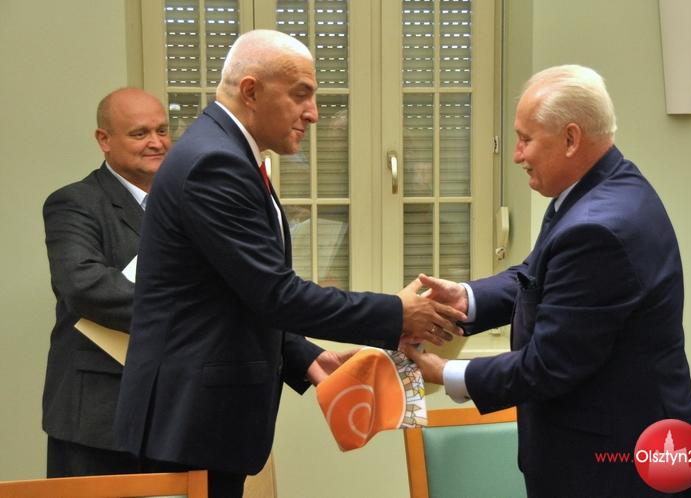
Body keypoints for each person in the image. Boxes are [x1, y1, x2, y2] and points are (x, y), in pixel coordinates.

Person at [114, 29, 465, 498]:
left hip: (196, 419)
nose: (313, 113)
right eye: (301, 94)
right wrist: (397, 313)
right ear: (251, 92)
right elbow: (275, 294)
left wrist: (305, 356)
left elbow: (236, 293)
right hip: (186, 421)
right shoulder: (214, 162)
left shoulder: (225, 151)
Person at [404, 65, 691, 498]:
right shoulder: (601, 189)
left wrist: (446, 372)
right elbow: (540, 277)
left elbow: (549, 364)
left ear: (571, 139)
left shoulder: (598, 226)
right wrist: (467, 298)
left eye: (525, 139)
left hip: (615, 472)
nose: (516, 155)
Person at [42, 88, 171, 477]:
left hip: (176, 415)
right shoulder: (75, 202)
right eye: (140, 133)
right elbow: (84, 284)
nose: (156, 142)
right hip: (98, 419)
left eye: (162, 130)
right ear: (104, 140)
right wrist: (187, 315)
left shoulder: (186, 205)